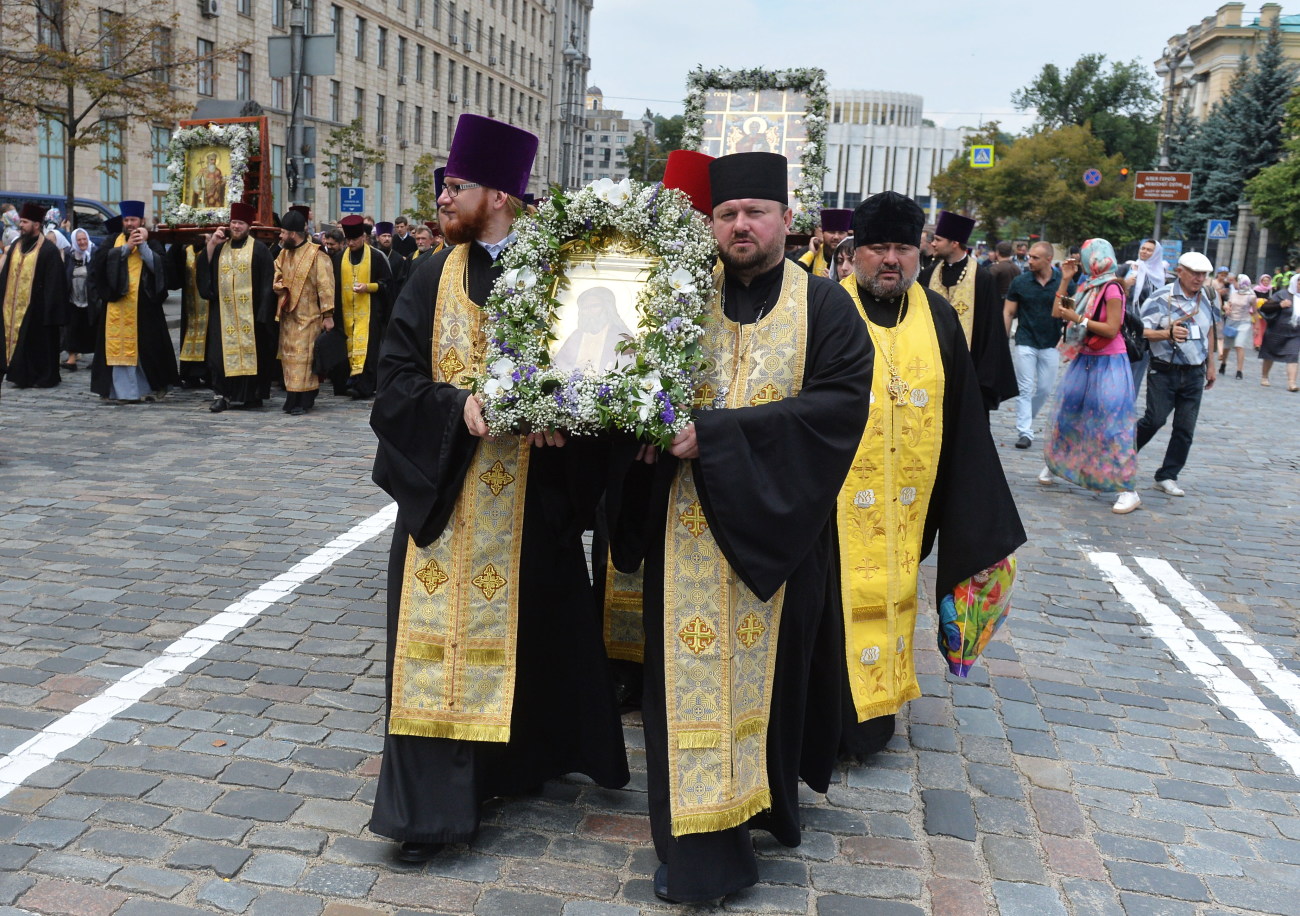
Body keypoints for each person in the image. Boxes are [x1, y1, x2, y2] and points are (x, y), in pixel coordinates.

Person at [610, 151, 874, 904]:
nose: (740, 225)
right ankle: (693, 843)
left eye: (756, 212)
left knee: (771, 685)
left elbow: (837, 410)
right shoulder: (678, 298)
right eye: (727, 214)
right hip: (681, 529)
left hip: (780, 540)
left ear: (788, 222)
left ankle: (763, 805)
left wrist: (716, 436)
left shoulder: (826, 306)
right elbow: (632, 379)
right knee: (679, 688)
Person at [367, 113, 630, 864]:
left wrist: (564, 417)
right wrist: (459, 407)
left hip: (534, 502)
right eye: (445, 187)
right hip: (445, 499)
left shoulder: (565, 272)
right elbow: (393, 385)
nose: (444, 200)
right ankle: (430, 813)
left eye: (458, 188)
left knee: (533, 642)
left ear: (502, 196)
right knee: (437, 653)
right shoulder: (431, 275)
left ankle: (515, 765)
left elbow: (603, 373)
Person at [836, 190, 1025, 757]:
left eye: (902, 247)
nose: (891, 260)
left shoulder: (939, 316)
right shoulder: (825, 308)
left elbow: (965, 420)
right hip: (834, 509)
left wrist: (978, 518)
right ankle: (831, 716)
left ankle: (878, 711)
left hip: (908, 506)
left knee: (896, 599)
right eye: (877, 248)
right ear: (854, 252)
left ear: (920, 251)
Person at [1034, 240, 1139, 513]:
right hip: (1086, 359)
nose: (1082, 260)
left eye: (1085, 256)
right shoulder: (1087, 284)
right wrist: (1065, 280)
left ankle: (1127, 488)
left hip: (1110, 362)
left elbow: (1112, 329)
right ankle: (1056, 464)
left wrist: (1079, 319)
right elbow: (1059, 312)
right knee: (1068, 414)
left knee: (1112, 423)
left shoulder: (1113, 287)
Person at [1132, 251, 1218, 498]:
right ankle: (1121, 458)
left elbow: (1210, 331)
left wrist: (1211, 364)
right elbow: (1141, 331)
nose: (1200, 278)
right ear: (1180, 271)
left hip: (1194, 372)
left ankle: (1168, 475)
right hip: (1164, 370)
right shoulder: (1161, 298)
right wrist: (1166, 334)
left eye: (1203, 274)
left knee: (1185, 428)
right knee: (1154, 420)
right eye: (1195, 273)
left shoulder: (1209, 298)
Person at [921, 210, 1018, 413]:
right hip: (929, 369)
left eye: (938, 239)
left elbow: (991, 331)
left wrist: (984, 379)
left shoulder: (982, 279)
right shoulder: (928, 275)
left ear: (954, 243)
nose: (933, 244)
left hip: (969, 371)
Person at [89, 201, 179, 403]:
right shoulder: (113, 240)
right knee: (116, 349)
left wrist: (143, 247)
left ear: (142, 221)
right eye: (127, 220)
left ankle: (144, 389)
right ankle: (120, 392)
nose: (130, 224)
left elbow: (163, 270)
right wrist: (126, 249)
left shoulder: (153, 241)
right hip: (116, 305)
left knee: (145, 351)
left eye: (133, 220)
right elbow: (99, 265)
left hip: (144, 307)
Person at [196, 201, 277, 412]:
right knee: (218, 357)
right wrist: (211, 244)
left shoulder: (259, 250)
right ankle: (221, 395)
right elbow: (206, 273)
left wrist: (263, 312)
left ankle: (249, 396)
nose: (236, 227)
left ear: (249, 226)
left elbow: (268, 282)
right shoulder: (221, 248)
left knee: (252, 355)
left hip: (251, 315)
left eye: (240, 223)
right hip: (222, 314)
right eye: (233, 222)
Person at [272, 207, 336, 415]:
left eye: (283, 232)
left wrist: (328, 316)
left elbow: (325, 287)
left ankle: (303, 399)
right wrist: (279, 286)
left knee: (304, 360)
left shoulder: (316, 255)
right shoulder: (283, 254)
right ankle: (292, 397)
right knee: (289, 359)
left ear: (293, 233)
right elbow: (277, 275)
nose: (280, 236)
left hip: (310, 317)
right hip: (289, 315)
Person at [1, 201, 67, 389]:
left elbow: (56, 285)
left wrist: (50, 311)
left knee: (38, 345)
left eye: (24, 222)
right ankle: (19, 375)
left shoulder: (49, 250)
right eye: (20, 222)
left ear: (36, 225)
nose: (20, 226)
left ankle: (41, 377)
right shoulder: (16, 247)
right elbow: (6, 275)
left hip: (38, 310)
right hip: (12, 308)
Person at [1004, 241, 1063, 449]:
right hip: (1025, 340)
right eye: (1029, 256)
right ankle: (1025, 432)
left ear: (1049, 259)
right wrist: (1004, 340)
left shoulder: (1063, 282)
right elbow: (1009, 312)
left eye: (1035, 257)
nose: (1030, 260)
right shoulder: (1020, 282)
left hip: (1052, 342)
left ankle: (1027, 419)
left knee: (1045, 389)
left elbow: (1072, 310)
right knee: (1025, 388)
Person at [334, 214, 392, 399]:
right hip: (344, 313)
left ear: (363, 238)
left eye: (354, 239)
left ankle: (364, 386)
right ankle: (347, 383)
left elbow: (387, 285)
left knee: (368, 352)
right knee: (346, 349)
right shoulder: (338, 258)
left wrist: (368, 287)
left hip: (370, 314)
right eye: (348, 240)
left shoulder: (376, 257)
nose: (351, 243)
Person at [1118, 239, 1167, 391]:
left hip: (1143, 327)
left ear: (1156, 253)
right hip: (1122, 323)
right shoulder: (1127, 268)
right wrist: (1126, 284)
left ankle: (1127, 404)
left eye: (1149, 250)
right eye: (1143, 248)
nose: (1144, 251)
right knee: (1118, 367)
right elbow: (1111, 290)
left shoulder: (1159, 275)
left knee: (1136, 369)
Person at [61, 228, 97, 371]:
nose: (82, 242)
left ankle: (97, 360)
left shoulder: (94, 253)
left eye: (84, 239)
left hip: (91, 300)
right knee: (72, 329)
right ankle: (71, 359)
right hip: (73, 298)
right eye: (79, 240)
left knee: (93, 329)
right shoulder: (70, 255)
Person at [1258, 274, 1300, 391]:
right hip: (1276, 331)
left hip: (1295, 333)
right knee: (1269, 354)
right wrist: (1280, 305)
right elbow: (1265, 307)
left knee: (1293, 355)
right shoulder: (1282, 294)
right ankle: (1264, 376)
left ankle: (1292, 383)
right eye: (1299, 283)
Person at [1221, 275, 1256, 380]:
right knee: (1227, 346)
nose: (1235, 284)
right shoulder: (1233, 294)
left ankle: (1239, 371)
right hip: (1231, 321)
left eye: (1236, 282)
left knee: (1239, 345)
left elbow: (1255, 311)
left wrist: (1256, 327)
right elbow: (1228, 304)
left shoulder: (1251, 296)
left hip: (1244, 322)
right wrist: (1226, 307)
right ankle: (1223, 363)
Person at [798, 208, 851, 277]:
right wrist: (811, 253)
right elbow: (795, 275)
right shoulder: (808, 251)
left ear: (847, 235)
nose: (836, 237)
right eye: (831, 232)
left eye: (841, 233)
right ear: (822, 233)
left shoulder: (852, 256)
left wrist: (833, 281)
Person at [374, 221, 409, 303]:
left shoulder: (399, 258)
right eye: (384, 236)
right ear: (377, 238)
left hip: (393, 299)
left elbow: (402, 282)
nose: (387, 239)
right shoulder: (373, 255)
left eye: (389, 236)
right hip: (376, 298)